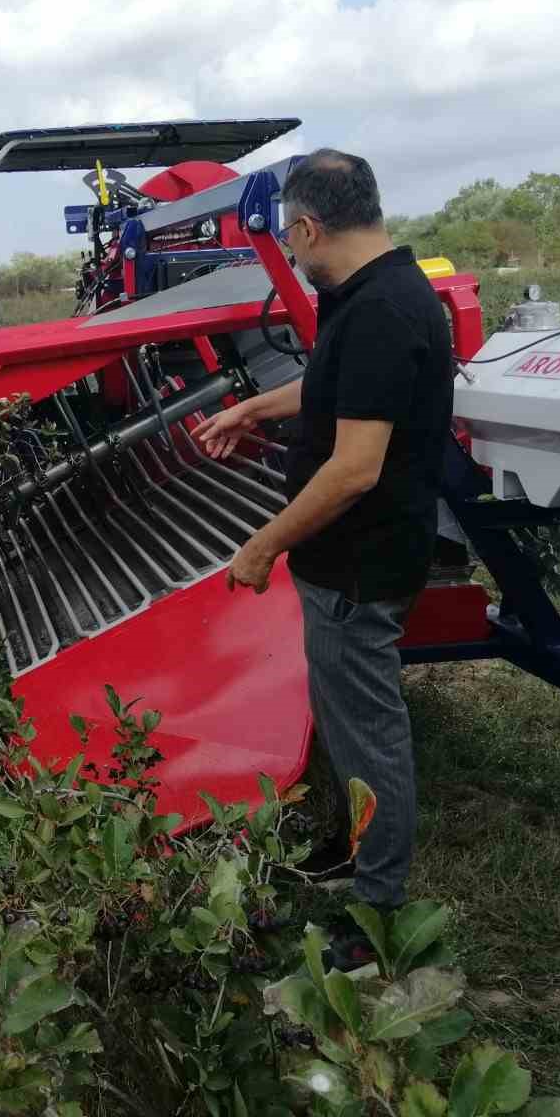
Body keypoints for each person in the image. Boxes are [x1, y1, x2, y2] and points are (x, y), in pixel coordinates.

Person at [193, 149, 453, 969]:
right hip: (345, 562)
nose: (294, 259)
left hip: (358, 563)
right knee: (345, 719)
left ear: (305, 227)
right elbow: (334, 388)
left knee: (371, 733)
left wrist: (262, 546)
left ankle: (378, 913)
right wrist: (254, 408)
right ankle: (352, 847)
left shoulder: (382, 311)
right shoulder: (372, 295)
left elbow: (353, 467)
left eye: (291, 243)